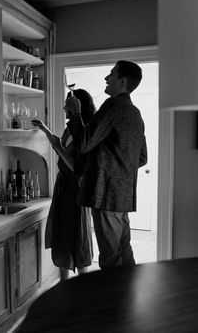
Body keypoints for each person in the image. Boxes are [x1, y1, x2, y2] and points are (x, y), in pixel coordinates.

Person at [65, 60, 148, 269]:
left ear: (122, 81)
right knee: (125, 253)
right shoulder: (135, 113)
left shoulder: (113, 106)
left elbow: (83, 143)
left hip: (106, 196)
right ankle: (129, 299)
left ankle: (113, 302)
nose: (106, 78)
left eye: (111, 74)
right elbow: (142, 158)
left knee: (110, 259)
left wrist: (76, 112)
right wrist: (117, 168)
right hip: (123, 197)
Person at [32, 89, 96, 280]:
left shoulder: (84, 130)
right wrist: (45, 129)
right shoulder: (70, 128)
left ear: (77, 107)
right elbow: (58, 146)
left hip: (75, 189)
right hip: (63, 188)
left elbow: (78, 168)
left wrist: (60, 148)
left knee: (78, 235)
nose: (63, 108)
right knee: (62, 235)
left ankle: (82, 285)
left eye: (67, 105)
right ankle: (64, 285)